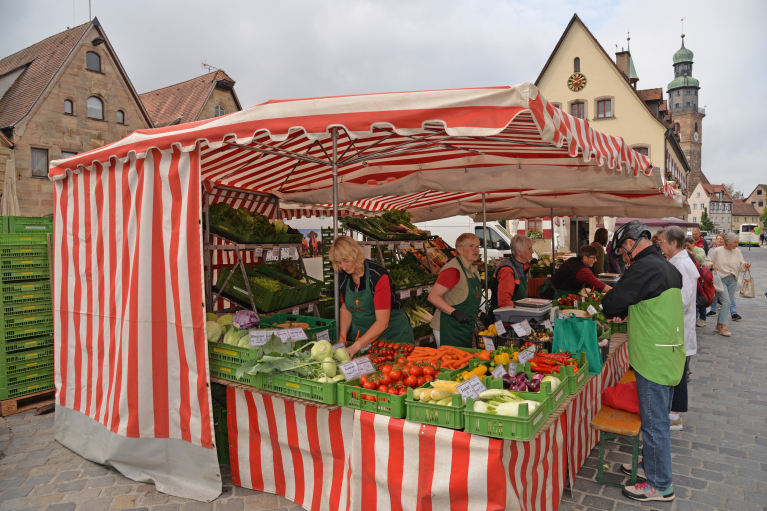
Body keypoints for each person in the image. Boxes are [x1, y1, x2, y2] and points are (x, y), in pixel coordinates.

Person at [601, 220, 685, 502]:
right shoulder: (668, 267)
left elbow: (611, 303)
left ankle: (661, 485)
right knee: (656, 418)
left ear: (629, 245)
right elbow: (652, 304)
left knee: (654, 423)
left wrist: (620, 309)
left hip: (653, 357)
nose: (624, 259)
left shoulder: (643, 268)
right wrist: (631, 313)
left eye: (623, 254)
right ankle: (651, 465)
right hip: (669, 352)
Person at [330, 235, 413, 356]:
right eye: (339, 262)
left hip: (393, 337)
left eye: (346, 260)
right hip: (364, 339)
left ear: (356, 254)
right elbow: (346, 308)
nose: (344, 266)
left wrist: (355, 347)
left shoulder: (378, 276)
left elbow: (382, 322)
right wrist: (342, 339)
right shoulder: (344, 276)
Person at [657, 227, 698, 431]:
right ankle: (673, 411)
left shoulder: (682, 264)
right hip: (676, 325)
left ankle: (674, 415)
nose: (661, 245)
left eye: (662, 242)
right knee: (677, 369)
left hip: (679, 325)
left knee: (678, 371)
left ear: (674, 243)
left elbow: (683, 300)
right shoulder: (677, 262)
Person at [428, 233, 482, 347]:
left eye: (477, 246)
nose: (476, 249)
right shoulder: (453, 270)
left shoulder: (473, 271)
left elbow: (463, 298)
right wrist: (454, 312)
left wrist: (480, 314)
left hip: (464, 328)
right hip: (448, 328)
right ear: (459, 249)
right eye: (471, 246)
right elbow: (433, 297)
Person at [703, 233, 751, 336]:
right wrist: (711, 265)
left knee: (727, 303)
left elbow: (741, 266)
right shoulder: (717, 251)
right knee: (726, 302)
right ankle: (723, 326)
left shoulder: (737, 251)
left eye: (737, 242)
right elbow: (706, 262)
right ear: (727, 242)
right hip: (721, 280)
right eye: (735, 242)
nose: (736, 244)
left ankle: (718, 325)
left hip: (733, 279)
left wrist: (745, 265)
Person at [539, 245, 613, 299]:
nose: (596, 260)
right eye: (594, 257)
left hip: (547, 291)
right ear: (585, 258)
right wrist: (616, 292)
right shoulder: (583, 271)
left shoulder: (572, 260)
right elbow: (599, 285)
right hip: (553, 296)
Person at [489, 234, 533, 311]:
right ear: (518, 251)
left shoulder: (523, 266)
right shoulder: (507, 270)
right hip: (505, 317)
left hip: (517, 313)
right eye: (529, 249)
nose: (532, 252)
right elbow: (504, 302)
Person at [684, 236, 708, 327]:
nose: (687, 247)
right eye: (685, 245)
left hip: (700, 277)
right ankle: (695, 318)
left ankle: (703, 318)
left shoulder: (699, 250)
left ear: (693, 244)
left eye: (688, 245)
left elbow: (702, 258)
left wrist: (691, 253)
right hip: (690, 277)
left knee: (700, 297)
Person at [706, 234, 726, 318]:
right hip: (714, 272)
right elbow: (707, 259)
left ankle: (733, 312)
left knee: (726, 293)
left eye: (721, 239)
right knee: (714, 291)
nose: (719, 240)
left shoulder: (726, 249)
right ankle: (713, 310)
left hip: (724, 273)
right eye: (718, 239)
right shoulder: (712, 249)